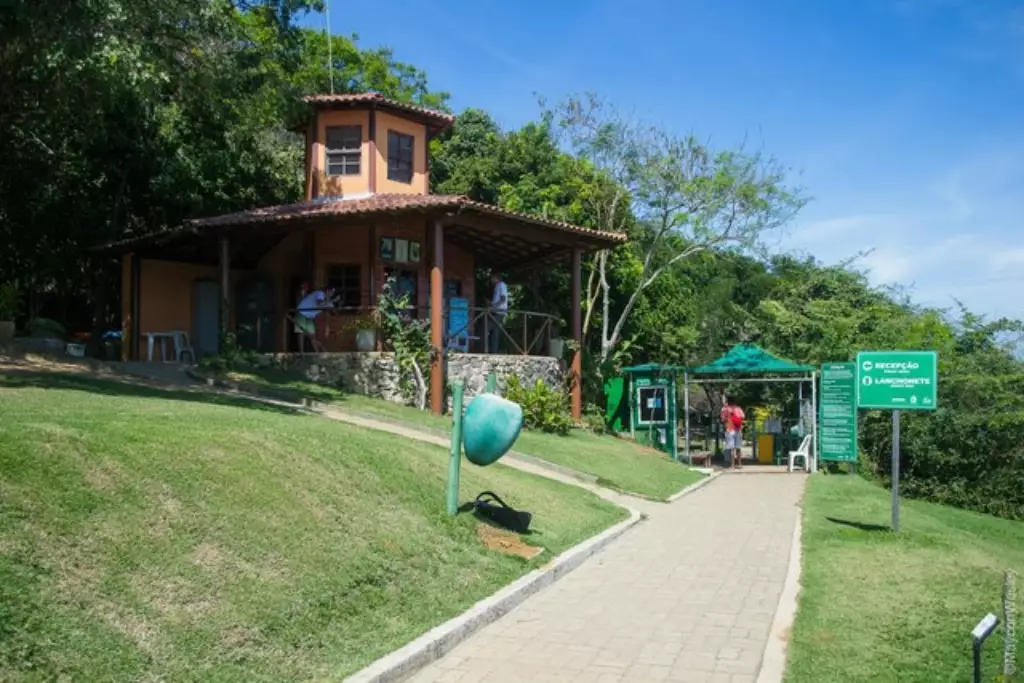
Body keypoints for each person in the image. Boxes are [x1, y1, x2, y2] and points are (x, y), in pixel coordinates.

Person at [295, 284, 337, 352]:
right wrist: (329, 304)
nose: (331, 294)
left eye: (332, 293)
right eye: (331, 292)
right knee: (301, 333)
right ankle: (301, 354)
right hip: (302, 312)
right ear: (327, 291)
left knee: (312, 335)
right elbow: (319, 303)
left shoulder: (327, 300)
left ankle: (317, 354)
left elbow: (332, 311)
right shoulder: (320, 294)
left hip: (309, 316)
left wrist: (327, 328)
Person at [721, 396, 745, 468]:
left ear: (728, 402)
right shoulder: (738, 408)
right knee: (738, 447)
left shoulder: (725, 409)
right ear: (735, 402)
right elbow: (743, 417)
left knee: (731, 448)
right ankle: (739, 464)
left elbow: (723, 420)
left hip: (729, 429)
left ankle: (732, 465)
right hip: (738, 429)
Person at [487, 270, 508, 354]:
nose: (491, 280)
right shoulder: (497, 286)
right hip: (497, 311)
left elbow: (503, 299)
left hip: (500, 311)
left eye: (492, 278)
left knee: (487, 327)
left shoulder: (501, 285)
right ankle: (493, 351)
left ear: (496, 278)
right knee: (495, 331)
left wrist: (492, 307)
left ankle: (487, 349)